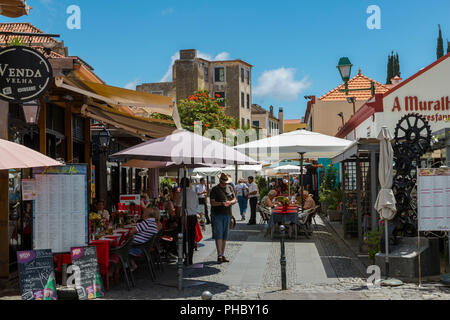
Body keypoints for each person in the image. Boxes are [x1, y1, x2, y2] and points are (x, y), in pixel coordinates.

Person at [209, 173, 237, 263]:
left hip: (227, 214)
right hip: (217, 214)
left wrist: (230, 202)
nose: (224, 184)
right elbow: (212, 203)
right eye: (223, 182)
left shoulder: (230, 188)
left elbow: (235, 199)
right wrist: (221, 203)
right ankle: (219, 255)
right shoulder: (214, 189)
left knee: (225, 235)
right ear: (220, 181)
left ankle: (222, 254)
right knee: (219, 234)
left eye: (225, 182)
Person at [175, 177, 199, 266]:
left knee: (184, 238)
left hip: (185, 218)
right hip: (193, 217)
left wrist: (177, 217)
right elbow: (196, 206)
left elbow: (178, 207)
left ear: (181, 184)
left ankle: (186, 257)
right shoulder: (194, 193)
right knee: (191, 238)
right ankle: (190, 258)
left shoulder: (181, 193)